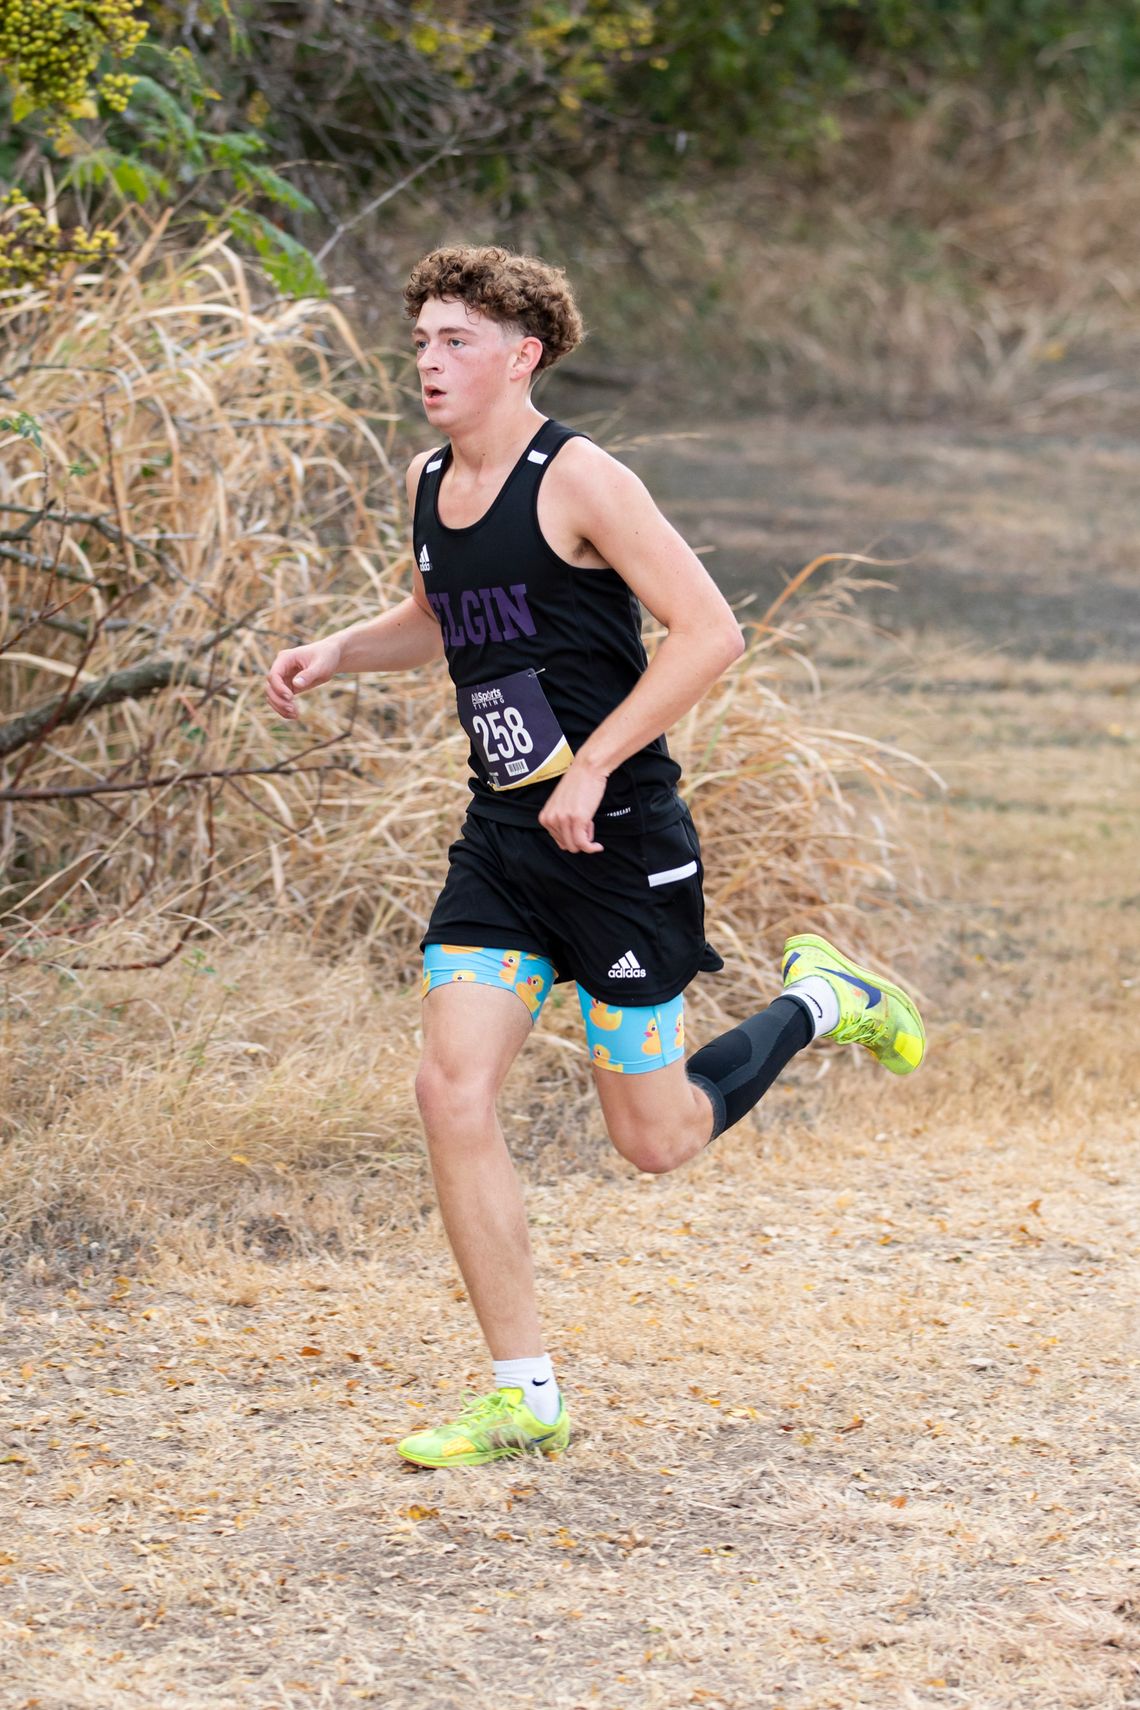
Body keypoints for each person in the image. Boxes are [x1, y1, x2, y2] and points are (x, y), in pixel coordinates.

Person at [265, 245, 925, 1469]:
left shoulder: (581, 480)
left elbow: (709, 632)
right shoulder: (427, 480)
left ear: (522, 357)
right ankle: (525, 1396)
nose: (429, 364)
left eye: (456, 342)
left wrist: (597, 764)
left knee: (654, 1139)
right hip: (504, 845)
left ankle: (827, 1000)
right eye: (421, 343)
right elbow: (439, 617)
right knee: (450, 1091)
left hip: (619, 843)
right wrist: (337, 651)